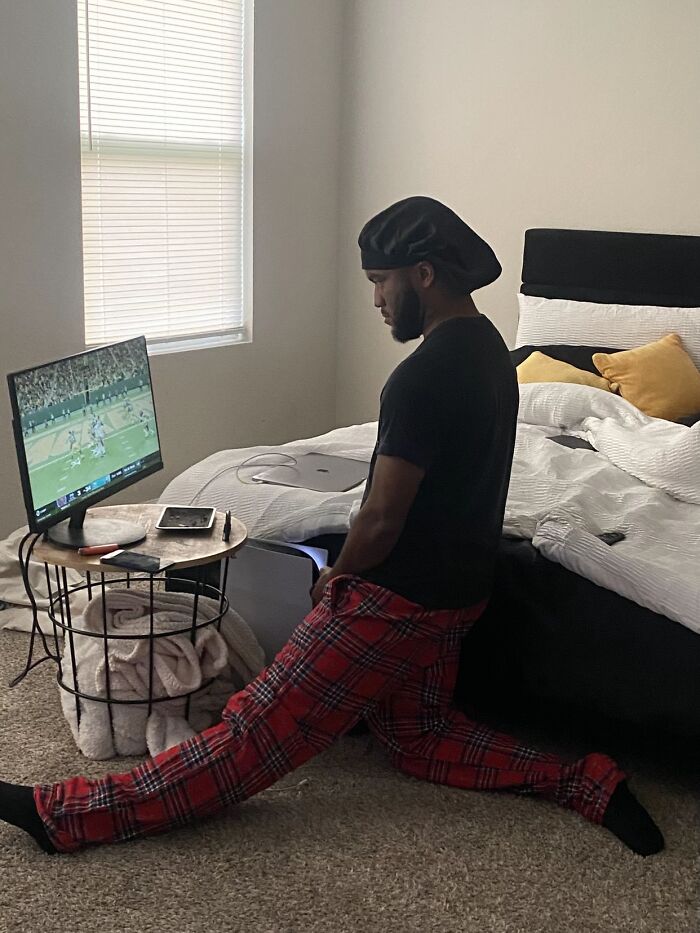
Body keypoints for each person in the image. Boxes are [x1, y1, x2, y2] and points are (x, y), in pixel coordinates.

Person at [0, 196, 662, 856]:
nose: (376, 299)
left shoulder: (422, 377)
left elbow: (378, 517)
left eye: (381, 281)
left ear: (424, 274)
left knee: (249, 734)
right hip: (460, 596)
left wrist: (338, 578)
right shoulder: (492, 349)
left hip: (395, 604)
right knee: (420, 738)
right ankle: (590, 780)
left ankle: (65, 815)